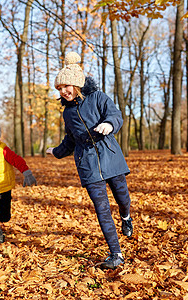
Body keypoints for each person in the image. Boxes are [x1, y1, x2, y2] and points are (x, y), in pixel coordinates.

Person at [46, 52, 133, 269]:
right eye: (59, 89)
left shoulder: (99, 98)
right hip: (87, 164)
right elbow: (70, 140)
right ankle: (116, 254)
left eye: (66, 86)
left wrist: (109, 125)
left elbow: (115, 115)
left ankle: (126, 216)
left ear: (76, 84)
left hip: (110, 156)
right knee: (101, 208)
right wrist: (56, 152)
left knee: (122, 197)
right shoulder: (68, 113)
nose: (63, 92)